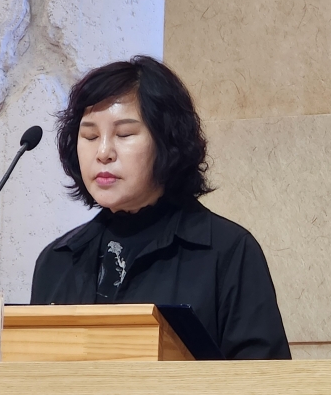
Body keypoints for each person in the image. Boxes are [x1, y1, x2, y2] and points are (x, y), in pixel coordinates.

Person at [30, 55, 290, 360]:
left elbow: (263, 378)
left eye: (124, 134)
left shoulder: (227, 252)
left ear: (167, 141)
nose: (103, 152)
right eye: (89, 136)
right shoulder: (57, 261)